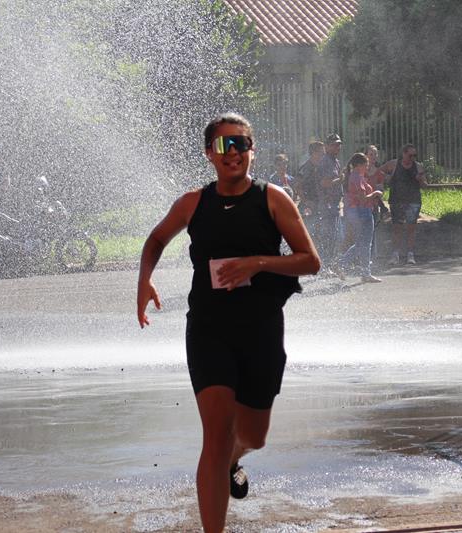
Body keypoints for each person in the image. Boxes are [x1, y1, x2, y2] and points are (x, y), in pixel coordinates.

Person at [135, 112, 320, 532]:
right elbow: (156, 238)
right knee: (215, 439)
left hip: (260, 332)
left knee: (253, 436)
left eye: (240, 144)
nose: (232, 152)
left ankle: (237, 458)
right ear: (209, 154)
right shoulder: (192, 203)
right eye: (223, 145)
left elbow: (310, 261)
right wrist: (145, 280)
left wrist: (257, 263)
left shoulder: (273, 199)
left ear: (252, 151)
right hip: (208, 330)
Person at [336, 152, 383, 282]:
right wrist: (376, 193)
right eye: (366, 164)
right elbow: (363, 199)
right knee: (364, 243)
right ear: (360, 165)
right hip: (362, 212)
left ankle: (363, 272)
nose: (367, 167)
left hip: (356, 212)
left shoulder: (354, 176)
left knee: (362, 243)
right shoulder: (357, 177)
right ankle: (342, 264)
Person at [380, 144, 427, 265]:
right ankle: (395, 254)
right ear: (404, 154)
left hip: (413, 200)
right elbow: (379, 172)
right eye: (410, 155)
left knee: (411, 228)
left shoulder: (418, 166)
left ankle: (410, 254)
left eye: (415, 155)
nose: (413, 158)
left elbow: (425, 186)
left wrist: (420, 179)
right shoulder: (394, 164)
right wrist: (388, 178)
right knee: (397, 228)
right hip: (397, 200)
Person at [318, 133, 343, 266]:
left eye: (339, 144)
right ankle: (325, 266)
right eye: (334, 145)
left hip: (334, 204)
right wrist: (340, 180)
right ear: (327, 146)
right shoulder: (326, 161)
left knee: (334, 236)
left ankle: (328, 265)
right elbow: (324, 183)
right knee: (329, 237)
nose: (337, 147)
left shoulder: (335, 161)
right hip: (327, 205)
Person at [295, 141, 325, 235]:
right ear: (314, 153)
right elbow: (297, 186)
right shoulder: (306, 168)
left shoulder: (320, 167)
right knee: (308, 235)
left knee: (318, 237)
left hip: (318, 206)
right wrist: (306, 201)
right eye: (321, 152)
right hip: (308, 207)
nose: (323, 155)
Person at [365, 145, 387, 259]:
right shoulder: (360, 171)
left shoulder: (379, 173)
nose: (373, 157)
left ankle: (371, 256)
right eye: (371, 154)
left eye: (375, 154)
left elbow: (380, 190)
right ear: (366, 156)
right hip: (360, 206)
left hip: (373, 206)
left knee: (371, 232)